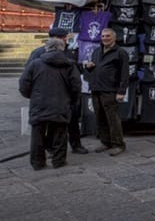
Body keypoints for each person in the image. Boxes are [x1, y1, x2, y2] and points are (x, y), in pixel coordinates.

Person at [19, 38, 81, 170]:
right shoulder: (69, 65)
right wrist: (71, 100)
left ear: (46, 48)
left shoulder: (35, 64)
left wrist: (33, 96)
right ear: (62, 48)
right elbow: (76, 86)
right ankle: (58, 161)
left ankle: (37, 162)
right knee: (60, 133)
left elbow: (24, 84)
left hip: (39, 103)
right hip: (61, 103)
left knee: (37, 134)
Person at [25, 27, 90, 154]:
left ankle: (75, 145)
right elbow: (28, 76)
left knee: (73, 121)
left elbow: (75, 71)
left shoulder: (68, 52)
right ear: (56, 38)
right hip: (48, 95)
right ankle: (51, 148)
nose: (67, 40)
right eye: (64, 37)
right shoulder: (38, 53)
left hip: (66, 95)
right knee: (51, 124)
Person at [84, 28, 129, 156]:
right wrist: (89, 68)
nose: (105, 38)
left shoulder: (120, 53)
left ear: (114, 37)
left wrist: (121, 91)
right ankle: (105, 142)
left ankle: (118, 144)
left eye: (108, 36)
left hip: (110, 90)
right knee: (100, 117)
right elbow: (91, 71)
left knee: (112, 118)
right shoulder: (97, 51)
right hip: (96, 88)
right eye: (103, 36)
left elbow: (124, 74)